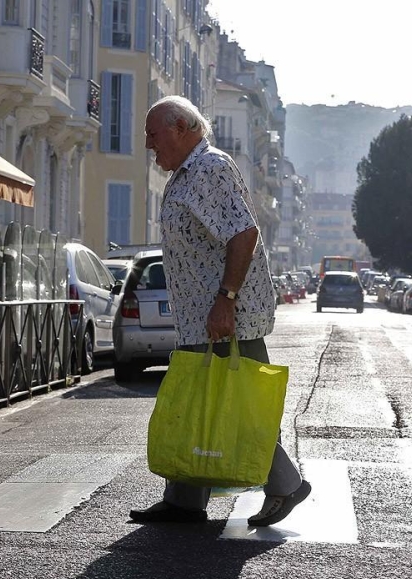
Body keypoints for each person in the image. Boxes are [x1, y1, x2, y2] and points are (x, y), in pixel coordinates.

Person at [129, 96, 311, 526]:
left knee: (239, 407)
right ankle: (184, 500)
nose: (149, 145)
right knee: (198, 403)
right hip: (201, 315)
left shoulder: (209, 168)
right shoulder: (186, 173)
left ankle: (286, 485)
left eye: (154, 135)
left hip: (226, 317)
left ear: (182, 128)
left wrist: (225, 300)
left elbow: (243, 234)